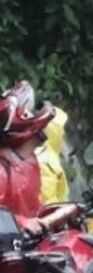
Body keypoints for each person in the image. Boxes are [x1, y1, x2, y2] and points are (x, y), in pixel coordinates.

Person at [0, 82, 56, 233]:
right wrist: (23, 222)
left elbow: (31, 207)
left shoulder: (30, 164)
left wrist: (52, 214)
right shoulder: (3, 170)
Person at [37, 107, 70, 205]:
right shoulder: (46, 163)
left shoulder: (47, 155)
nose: (63, 133)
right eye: (61, 128)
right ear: (53, 130)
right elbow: (46, 201)